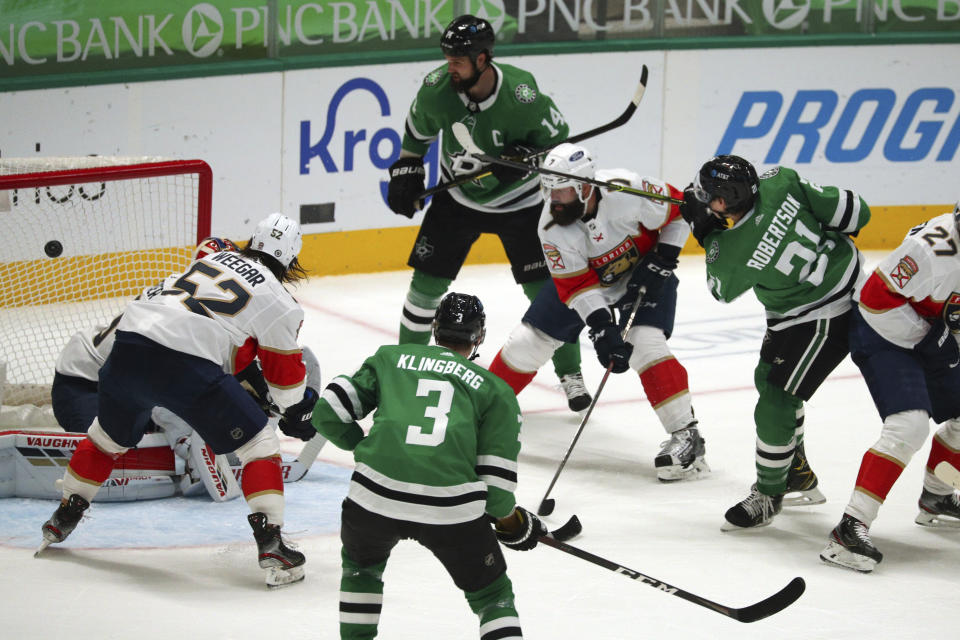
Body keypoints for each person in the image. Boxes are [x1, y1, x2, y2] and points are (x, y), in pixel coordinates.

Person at [38, 214, 318, 588]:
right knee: (259, 445)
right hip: (184, 363)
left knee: (106, 437)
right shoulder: (281, 300)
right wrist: (296, 408)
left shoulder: (212, 259)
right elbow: (284, 384)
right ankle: (272, 544)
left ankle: (64, 514)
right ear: (291, 260)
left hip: (127, 349)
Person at [308, 292, 546, 640]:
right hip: (450, 512)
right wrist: (514, 525)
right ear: (479, 337)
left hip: (373, 499)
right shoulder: (496, 391)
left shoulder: (390, 358)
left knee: (362, 571)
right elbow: (496, 494)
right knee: (493, 597)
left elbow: (326, 413)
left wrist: (366, 450)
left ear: (435, 329)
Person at [386, 14, 589, 412]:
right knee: (424, 287)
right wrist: (407, 168)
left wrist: (526, 162)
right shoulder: (437, 89)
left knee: (547, 292)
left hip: (522, 204)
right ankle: (403, 371)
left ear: (483, 59)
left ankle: (571, 373)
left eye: (458, 60)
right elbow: (416, 131)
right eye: (447, 58)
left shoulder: (521, 95)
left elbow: (560, 149)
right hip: (457, 200)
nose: (450, 67)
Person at [487, 143, 708, 481]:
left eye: (560, 192)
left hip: (643, 275)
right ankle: (475, 414)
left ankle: (686, 435)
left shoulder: (626, 189)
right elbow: (577, 286)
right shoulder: (550, 226)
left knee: (644, 344)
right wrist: (602, 326)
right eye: (548, 190)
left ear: (585, 186)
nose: (552, 200)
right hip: (592, 285)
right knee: (525, 343)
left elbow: (678, 213)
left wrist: (664, 258)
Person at [680, 155, 871, 530]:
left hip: (825, 311)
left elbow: (720, 290)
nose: (705, 200)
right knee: (766, 375)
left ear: (724, 201)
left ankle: (769, 493)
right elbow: (856, 213)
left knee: (776, 397)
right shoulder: (779, 181)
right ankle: (795, 473)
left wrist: (707, 233)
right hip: (827, 292)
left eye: (710, 197)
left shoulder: (732, 252)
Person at [820, 201, 960, 572]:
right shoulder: (932, 250)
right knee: (909, 425)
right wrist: (934, 339)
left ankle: (938, 494)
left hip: (932, 331)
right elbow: (875, 301)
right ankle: (850, 527)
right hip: (883, 332)